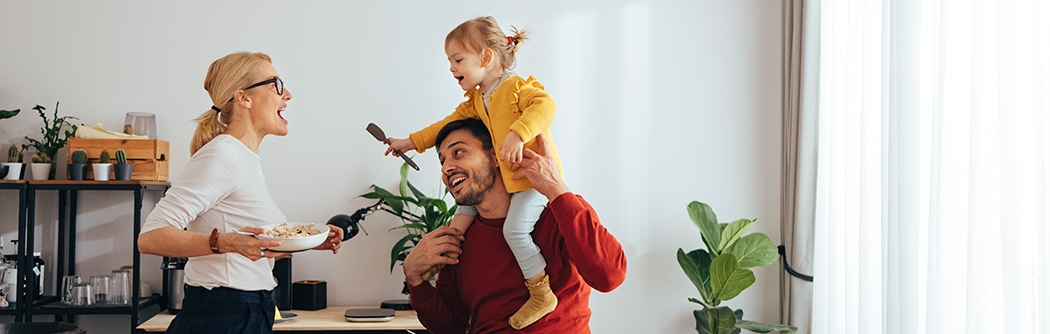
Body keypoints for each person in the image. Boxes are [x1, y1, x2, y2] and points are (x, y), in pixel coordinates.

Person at [138, 51, 344, 334]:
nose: (288, 95)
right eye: (276, 84)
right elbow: (150, 238)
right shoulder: (223, 154)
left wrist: (308, 242)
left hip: (248, 310)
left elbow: (247, 242)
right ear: (243, 98)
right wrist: (226, 243)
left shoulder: (244, 158)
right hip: (222, 313)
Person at [385, 16, 564, 329]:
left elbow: (545, 106)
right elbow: (444, 126)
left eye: (457, 60)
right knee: (457, 227)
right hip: (504, 182)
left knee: (515, 231)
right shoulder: (477, 101)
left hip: (528, 183)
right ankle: (432, 267)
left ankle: (540, 292)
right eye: (450, 62)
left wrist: (518, 134)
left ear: (485, 56)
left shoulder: (515, 88)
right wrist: (410, 142)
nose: (452, 69)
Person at [403, 118, 627, 333]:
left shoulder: (559, 212)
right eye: (442, 161)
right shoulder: (457, 239)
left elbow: (610, 277)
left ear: (495, 157)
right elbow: (451, 328)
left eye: (458, 153)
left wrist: (556, 187)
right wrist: (414, 277)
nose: (446, 168)